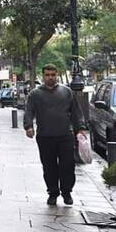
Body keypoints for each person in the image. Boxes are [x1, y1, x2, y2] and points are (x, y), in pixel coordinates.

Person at [23, 64, 87, 206]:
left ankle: (67, 192)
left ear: (56, 75)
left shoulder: (67, 92)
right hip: (45, 136)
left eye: (53, 75)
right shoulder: (35, 94)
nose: (50, 77)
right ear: (43, 76)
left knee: (67, 165)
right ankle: (53, 193)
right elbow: (29, 111)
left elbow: (76, 112)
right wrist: (28, 126)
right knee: (49, 166)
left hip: (65, 136)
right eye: (47, 75)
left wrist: (80, 128)